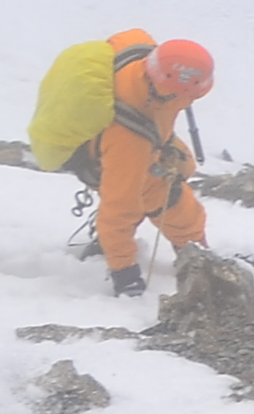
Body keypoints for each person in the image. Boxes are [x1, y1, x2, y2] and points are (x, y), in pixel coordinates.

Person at [69, 32, 217, 298]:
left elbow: (124, 35)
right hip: (114, 152)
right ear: (178, 91)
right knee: (168, 200)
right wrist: (124, 274)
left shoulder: (140, 53)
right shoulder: (130, 141)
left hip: (134, 137)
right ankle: (193, 251)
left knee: (184, 166)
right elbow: (118, 210)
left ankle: (194, 252)